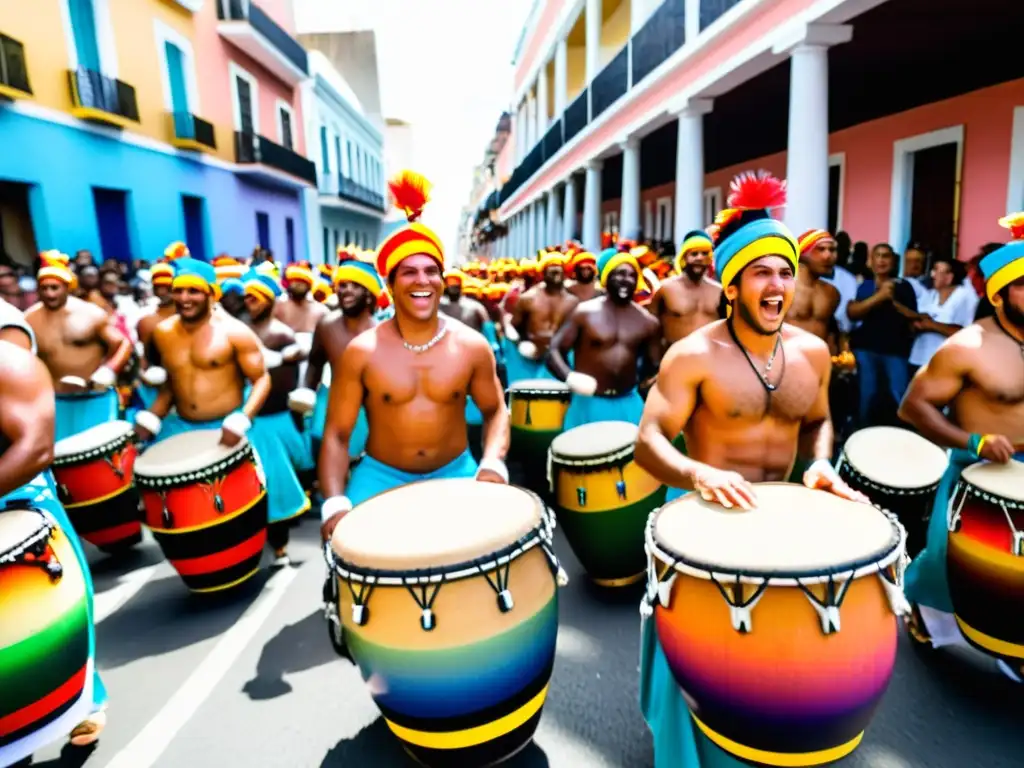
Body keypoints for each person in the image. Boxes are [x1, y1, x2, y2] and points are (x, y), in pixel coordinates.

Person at [631, 171, 866, 768]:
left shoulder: (812, 351)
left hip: (781, 514)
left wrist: (818, 465)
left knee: (770, 652)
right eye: (762, 271)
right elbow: (649, 439)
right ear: (731, 285)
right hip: (701, 520)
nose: (778, 284)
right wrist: (697, 473)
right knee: (696, 652)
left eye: (786, 271)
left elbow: (817, 423)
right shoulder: (692, 356)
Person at [318, 170, 510, 539]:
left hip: (456, 472)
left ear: (442, 279)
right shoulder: (362, 352)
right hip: (379, 476)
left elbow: (495, 411)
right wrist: (335, 501)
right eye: (408, 272)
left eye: (431, 271)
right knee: (350, 566)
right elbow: (338, 434)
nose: (422, 281)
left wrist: (491, 462)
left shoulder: (471, 345)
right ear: (390, 285)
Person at [897, 213, 1024, 679]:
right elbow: (913, 408)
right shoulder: (968, 346)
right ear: (999, 293)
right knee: (949, 565)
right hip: (978, 472)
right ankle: (927, 617)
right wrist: (974, 440)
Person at [131, 260, 299, 563]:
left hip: (232, 427)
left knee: (268, 492)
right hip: (183, 428)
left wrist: (243, 418)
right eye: (178, 291)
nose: (184, 298)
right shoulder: (162, 333)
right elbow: (171, 384)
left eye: (193, 291)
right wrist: (154, 415)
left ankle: (280, 547)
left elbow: (261, 379)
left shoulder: (235, 332)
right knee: (184, 505)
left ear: (212, 294)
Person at [0, 340, 109, 764]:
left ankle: (86, 695)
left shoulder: (10, 363)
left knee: (44, 623)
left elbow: (35, 448)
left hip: (17, 502)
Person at [241, 270, 313, 567]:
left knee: (284, 479)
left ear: (269, 301)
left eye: (255, 298)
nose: (250, 303)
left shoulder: (281, 334)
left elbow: (286, 382)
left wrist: (279, 360)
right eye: (247, 298)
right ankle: (262, 542)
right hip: (247, 419)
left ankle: (280, 545)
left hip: (275, 416)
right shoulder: (240, 330)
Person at [547, 246, 661, 429]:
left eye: (632, 275)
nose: (626, 280)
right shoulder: (583, 313)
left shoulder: (647, 322)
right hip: (589, 402)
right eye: (620, 274)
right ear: (606, 279)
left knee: (633, 456)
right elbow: (554, 352)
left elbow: (653, 365)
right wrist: (570, 377)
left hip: (629, 403)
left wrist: (649, 382)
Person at [26, 252, 131, 440]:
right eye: (44, 288)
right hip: (55, 401)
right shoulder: (28, 320)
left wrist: (109, 370)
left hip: (94, 397)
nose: (49, 293)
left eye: (54, 288)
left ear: (67, 287)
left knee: (102, 454)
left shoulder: (91, 313)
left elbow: (122, 343)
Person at [293, 260, 381, 463]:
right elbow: (315, 363)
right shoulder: (326, 325)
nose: (346, 291)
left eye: (355, 286)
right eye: (342, 285)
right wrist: (306, 392)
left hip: (371, 413)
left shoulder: (383, 333)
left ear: (369, 295)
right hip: (332, 406)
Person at [846, 243, 918, 427]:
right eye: (877, 256)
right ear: (870, 261)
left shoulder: (903, 286)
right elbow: (853, 313)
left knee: (899, 394)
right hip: (866, 348)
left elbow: (913, 318)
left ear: (893, 261)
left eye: (885, 256)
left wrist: (892, 301)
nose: (881, 260)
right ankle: (860, 433)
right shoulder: (864, 286)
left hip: (895, 350)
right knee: (866, 394)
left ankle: (903, 435)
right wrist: (879, 297)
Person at [439, 268, 500, 452]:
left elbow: (490, 337)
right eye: (449, 283)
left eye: (456, 283)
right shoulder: (437, 307)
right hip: (440, 362)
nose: (453, 287)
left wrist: (493, 355)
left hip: (470, 363)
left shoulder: (475, 308)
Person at [504, 251, 579, 384]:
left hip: (561, 360)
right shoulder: (529, 298)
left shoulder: (573, 302)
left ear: (564, 274)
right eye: (552, 272)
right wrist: (519, 342)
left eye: (558, 272)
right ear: (543, 273)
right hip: (531, 358)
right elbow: (512, 325)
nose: (556, 275)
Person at [648, 230, 721, 345]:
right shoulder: (665, 289)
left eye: (704, 253)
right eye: (694, 254)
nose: (699, 258)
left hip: (710, 360)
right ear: (684, 257)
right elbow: (652, 329)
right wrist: (655, 361)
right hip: (674, 358)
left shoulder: (719, 291)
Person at [908, 256, 978, 375]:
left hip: (946, 363)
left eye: (936, 270)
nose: (932, 274)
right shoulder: (929, 294)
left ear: (949, 277)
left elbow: (965, 332)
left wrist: (932, 325)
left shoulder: (964, 296)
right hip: (918, 359)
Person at [133, 262, 177, 411]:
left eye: (168, 288)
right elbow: (144, 356)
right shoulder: (146, 322)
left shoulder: (192, 317)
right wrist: (143, 375)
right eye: (159, 287)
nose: (163, 292)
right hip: (160, 385)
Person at [788, 229, 841, 350]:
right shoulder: (784, 288)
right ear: (802, 253)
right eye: (820, 249)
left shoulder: (832, 293)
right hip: (785, 358)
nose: (828, 256)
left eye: (832, 250)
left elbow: (830, 329)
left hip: (817, 361)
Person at [274, 261, 329, 334]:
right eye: (295, 280)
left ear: (309, 286)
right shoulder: (277, 307)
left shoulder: (321, 312)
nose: (298, 284)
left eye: (303, 281)